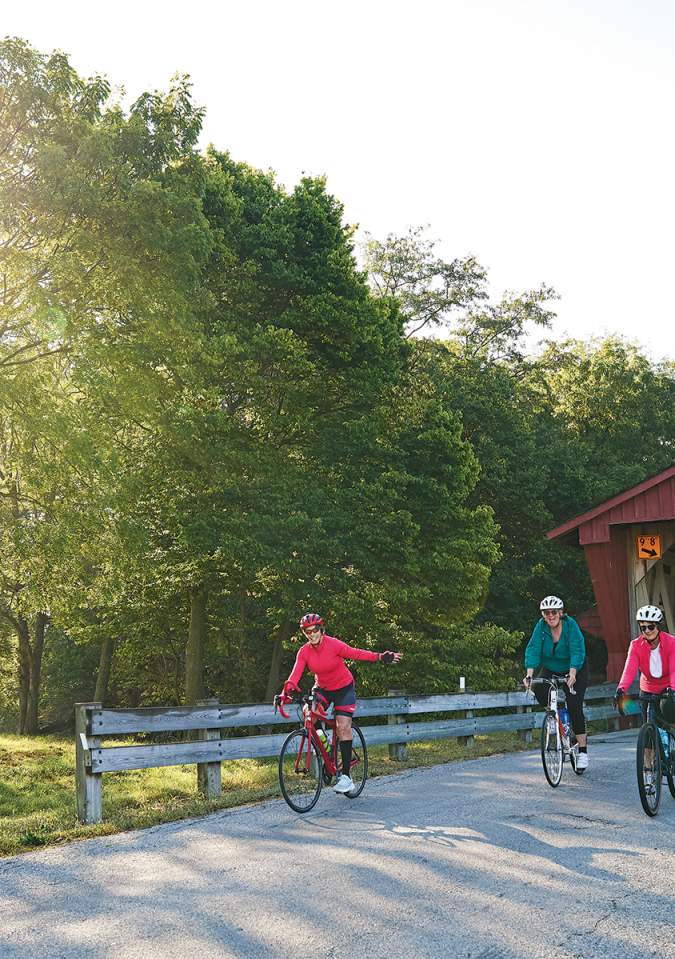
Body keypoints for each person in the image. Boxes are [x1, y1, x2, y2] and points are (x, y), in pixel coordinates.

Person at [278, 612, 402, 793]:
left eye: (315, 630)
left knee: (343, 726)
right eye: (307, 632)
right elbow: (294, 676)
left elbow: (356, 654)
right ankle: (326, 750)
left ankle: (346, 777)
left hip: (344, 688)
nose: (312, 634)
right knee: (308, 713)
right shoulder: (304, 651)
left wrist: (380, 657)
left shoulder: (333, 644)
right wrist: (284, 694)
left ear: (321, 630)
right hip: (322, 689)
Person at [523, 595, 590, 769]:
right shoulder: (541, 627)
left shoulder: (570, 625)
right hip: (551, 667)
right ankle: (554, 718)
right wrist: (529, 675)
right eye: (546, 613)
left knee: (575, 707)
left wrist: (573, 673)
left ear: (560, 613)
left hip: (575, 667)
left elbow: (577, 649)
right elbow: (533, 649)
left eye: (554, 612)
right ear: (543, 615)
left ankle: (582, 751)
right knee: (538, 689)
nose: (550, 615)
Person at [615, 605, 675, 725]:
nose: (647, 631)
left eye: (651, 627)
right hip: (647, 688)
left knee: (670, 718)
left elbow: (674, 669)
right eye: (643, 628)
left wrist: (673, 689)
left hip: (668, 688)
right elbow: (629, 669)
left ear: (659, 626)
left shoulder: (672, 643)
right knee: (647, 728)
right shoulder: (636, 645)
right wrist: (621, 689)